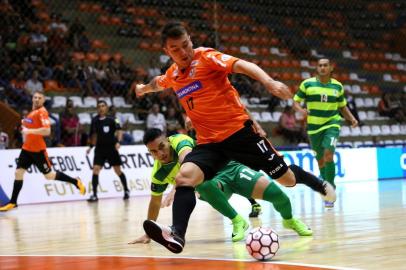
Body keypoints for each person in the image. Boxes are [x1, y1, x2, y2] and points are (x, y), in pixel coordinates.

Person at [135, 21, 335, 253]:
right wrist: (142, 88)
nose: (184, 52)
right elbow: (157, 83)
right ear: (167, 51)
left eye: (186, 45)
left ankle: (318, 183)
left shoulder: (206, 57)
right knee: (184, 178)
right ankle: (178, 233)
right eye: (176, 49)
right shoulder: (173, 74)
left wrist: (268, 82)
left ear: (191, 40)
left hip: (240, 134)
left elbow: (243, 65)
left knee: (287, 179)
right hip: (210, 142)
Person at [129, 129, 312, 246]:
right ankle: (237, 220)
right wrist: (148, 232)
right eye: (153, 151)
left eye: (162, 146)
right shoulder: (158, 174)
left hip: (230, 168)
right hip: (214, 183)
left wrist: (175, 189)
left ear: (168, 140)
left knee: (278, 195)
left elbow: (187, 160)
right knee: (203, 185)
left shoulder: (179, 141)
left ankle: (289, 220)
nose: (160, 154)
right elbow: (154, 202)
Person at [0, 91, 86, 211]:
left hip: (38, 150)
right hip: (26, 149)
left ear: (43, 100)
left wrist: (29, 131)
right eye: (35, 97)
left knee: (49, 176)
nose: (36, 99)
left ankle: (75, 182)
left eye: (39, 98)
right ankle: (13, 202)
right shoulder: (32, 112)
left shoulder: (42, 112)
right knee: (18, 173)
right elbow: (28, 124)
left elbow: (47, 131)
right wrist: (24, 125)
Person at [292, 58, 358, 208]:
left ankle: (331, 189)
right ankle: (325, 183)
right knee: (321, 161)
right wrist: (301, 110)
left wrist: (352, 119)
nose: (322, 68)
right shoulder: (307, 84)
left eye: (325, 65)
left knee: (329, 154)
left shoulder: (337, 86)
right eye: (320, 65)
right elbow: (295, 101)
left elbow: (342, 107)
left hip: (332, 123)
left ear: (331, 68)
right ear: (317, 68)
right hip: (314, 127)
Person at [86, 100, 129, 202]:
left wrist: (118, 142)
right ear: (97, 109)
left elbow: (119, 130)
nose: (101, 108)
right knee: (96, 169)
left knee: (117, 170)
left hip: (111, 148)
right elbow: (94, 135)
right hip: (100, 149)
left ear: (106, 107)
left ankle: (126, 190)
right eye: (99, 106)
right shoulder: (95, 120)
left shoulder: (113, 119)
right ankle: (95, 195)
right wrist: (91, 146)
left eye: (103, 106)